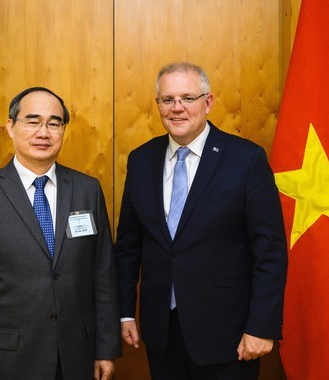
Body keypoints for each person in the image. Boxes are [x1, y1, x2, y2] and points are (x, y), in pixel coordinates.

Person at [115, 62, 288, 379]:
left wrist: (262, 326)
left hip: (229, 335)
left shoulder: (245, 159)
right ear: (158, 105)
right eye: (167, 100)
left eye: (187, 98)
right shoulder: (141, 160)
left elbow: (271, 251)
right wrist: (125, 312)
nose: (176, 108)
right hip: (161, 334)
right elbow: (128, 246)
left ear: (207, 102)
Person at [0, 87, 121, 380]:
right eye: (32, 121)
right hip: (8, 362)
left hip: (76, 358)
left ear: (63, 130)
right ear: (11, 126)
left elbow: (103, 276)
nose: (44, 132)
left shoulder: (87, 190)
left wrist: (105, 348)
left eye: (54, 123)